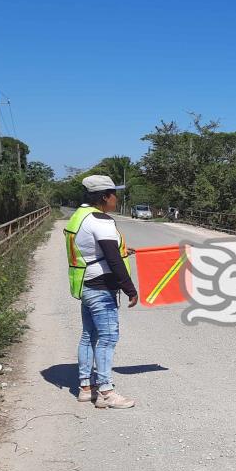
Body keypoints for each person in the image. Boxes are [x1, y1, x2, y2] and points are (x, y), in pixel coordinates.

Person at [64, 175, 138, 409]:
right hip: (101, 288)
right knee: (107, 339)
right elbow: (113, 259)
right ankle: (106, 391)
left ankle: (86, 387)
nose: (117, 198)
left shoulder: (80, 216)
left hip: (86, 285)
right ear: (104, 196)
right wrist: (129, 288)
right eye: (114, 194)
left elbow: (95, 249)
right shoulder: (101, 220)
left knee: (89, 336)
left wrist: (124, 250)